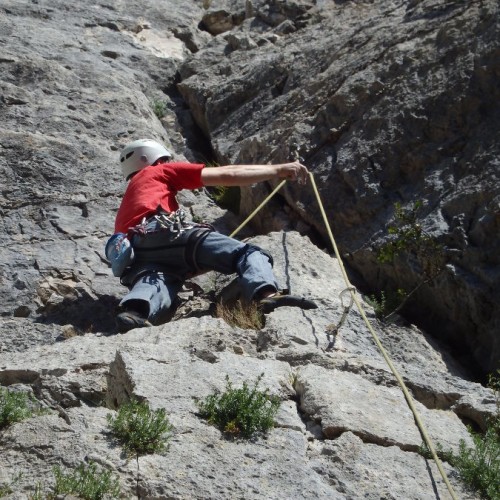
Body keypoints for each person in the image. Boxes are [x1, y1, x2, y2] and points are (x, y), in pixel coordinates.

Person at [107, 138, 317, 332]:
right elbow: (230, 174)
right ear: (147, 159)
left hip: (136, 256)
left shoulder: (128, 203)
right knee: (248, 253)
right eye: (164, 159)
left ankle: (135, 312)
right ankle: (265, 294)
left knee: (155, 280)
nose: (167, 162)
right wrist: (278, 169)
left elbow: (160, 251)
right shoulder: (158, 172)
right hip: (163, 233)